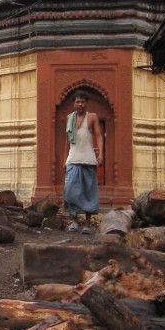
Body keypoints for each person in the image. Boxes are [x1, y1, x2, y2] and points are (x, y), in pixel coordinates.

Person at [63, 90, 104, 234]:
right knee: (69, 191)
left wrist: (101, 154)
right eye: (77, 101)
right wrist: (64, 160)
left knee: (89, 193)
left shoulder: (92, 117)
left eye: (82, 101)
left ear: (86, 103)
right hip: (73, 159)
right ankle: (74, 221)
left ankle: (87, 224)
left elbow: (98, 135)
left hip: (88, 159)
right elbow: (67, 141)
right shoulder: (69, 118)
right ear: (74, 103)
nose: (80, 104)